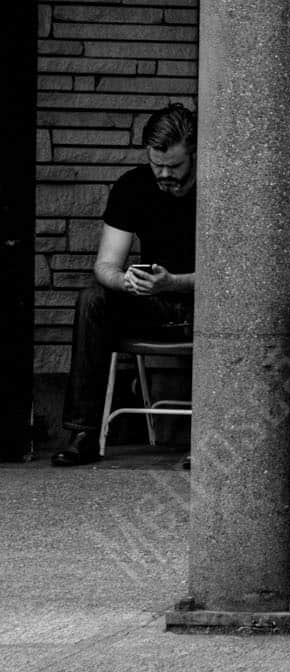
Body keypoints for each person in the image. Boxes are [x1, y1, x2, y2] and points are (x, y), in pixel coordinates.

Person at [50, 103, 197, 467]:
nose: (165, 174)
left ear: (195, 154)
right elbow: (106, 265)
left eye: (175, 166)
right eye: (156, 164)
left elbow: (236, 275)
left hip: (204, 302)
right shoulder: (133, 186)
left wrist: (174, 283)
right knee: (93, 299)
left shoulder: (221, 190)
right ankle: (83, 433)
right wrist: (126, 281)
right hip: (154, 303)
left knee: (232, 309)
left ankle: (206, 440)